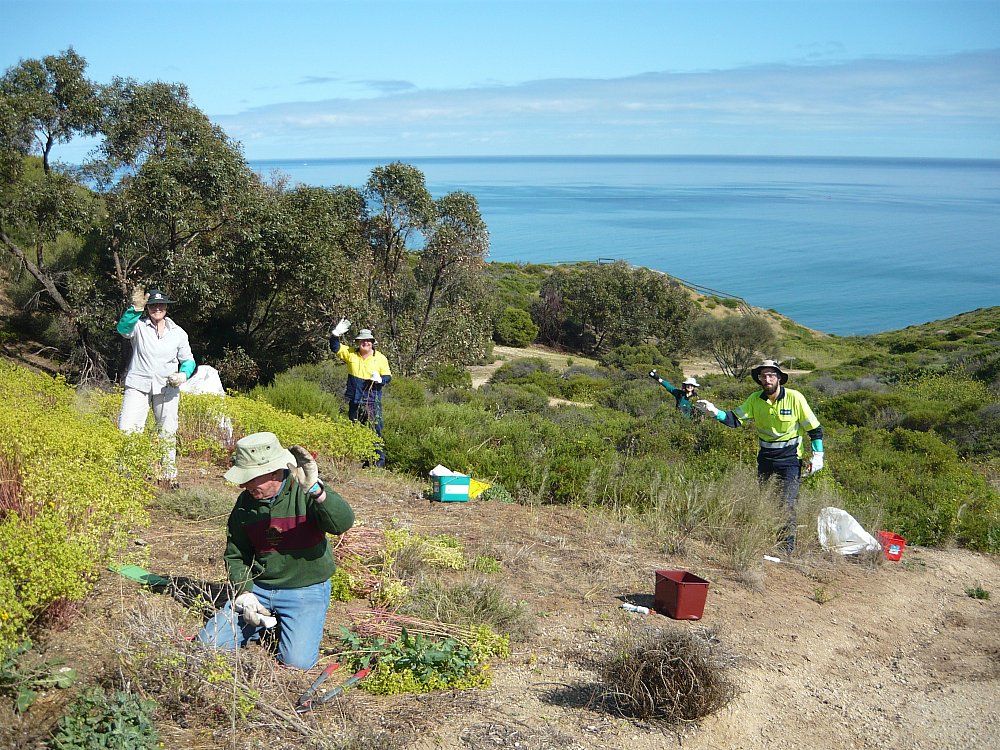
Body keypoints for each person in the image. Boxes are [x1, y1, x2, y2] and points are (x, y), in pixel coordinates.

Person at [197, 432, 355, 670]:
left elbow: (342, 523)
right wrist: (244, 592)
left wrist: (317, 491)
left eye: (249, 478)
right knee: (207, 645)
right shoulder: (244, 505)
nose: (243, 485)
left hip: (306, 589)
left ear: (273, 472)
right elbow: (236, 554)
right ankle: (264, 623)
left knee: (296, 664)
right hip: (260, 588)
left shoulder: (304, 488)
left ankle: (279, 624)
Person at [695, 360, 824, 550]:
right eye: (763, 375)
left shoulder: (795, 398)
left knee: (787, 503)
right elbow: (734, 419)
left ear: (779, 378)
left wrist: (818, 454)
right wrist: (714, 412)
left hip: (790, 461)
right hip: (765, 460)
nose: (767, 379)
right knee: (768, 502)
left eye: (771, 375)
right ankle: (766, 540)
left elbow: (814, 429)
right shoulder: (755, 400)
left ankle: (786, 547)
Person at [116, 286, 196, 488]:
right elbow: (123, 329)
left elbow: (188, 361)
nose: (157, 308)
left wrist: (182, 375)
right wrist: (134, 309)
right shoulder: (139, 326)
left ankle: (169, 477)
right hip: (138, 385)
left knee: (167, 431)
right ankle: (127, 474)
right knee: (128, 428)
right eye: (152, 305)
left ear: (167, 307)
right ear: (148, 307)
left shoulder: (178, 333)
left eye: (161, 305)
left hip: (167, 387)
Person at [329, 319, 393, 467]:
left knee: (375, 431)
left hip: (372, 400)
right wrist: (334, 334)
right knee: (355, 430)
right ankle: (358, 462)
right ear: (358, 342)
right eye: (363, 341)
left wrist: (380, 380)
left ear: (372, 342)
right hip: (354, 400)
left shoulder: (381, 358)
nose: (366, 343)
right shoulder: (350, 353)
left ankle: (378, 464)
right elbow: (335, 347)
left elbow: (388, 377)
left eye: (368, 340)